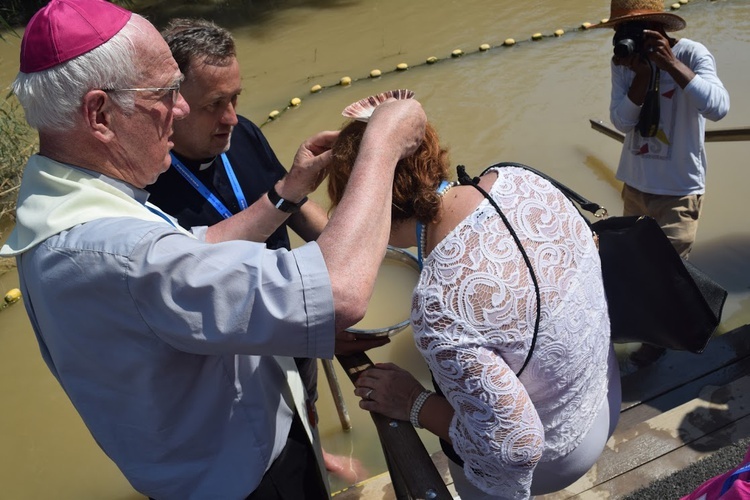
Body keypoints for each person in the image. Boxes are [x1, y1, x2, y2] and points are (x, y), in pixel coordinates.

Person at [0, 1, 426, 499]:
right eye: (164, 93)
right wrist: (382, 146)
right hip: (242, 477)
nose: (179, 110)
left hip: (206, 459)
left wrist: (286, 193)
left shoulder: (67, 206)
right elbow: (337, 292)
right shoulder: (121, 253)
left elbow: (194, 252)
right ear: (99, 113)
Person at [327, 90, 621, 500]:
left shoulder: (438, 303)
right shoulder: (521, 178)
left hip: (555, 457)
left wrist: (413, 401)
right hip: (603, 400)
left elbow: (516, 449)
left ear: (367, 202)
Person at [145, 18, 363, 483]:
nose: (230, 117)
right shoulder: (147, 181)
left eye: (235, 98)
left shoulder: (241, 132)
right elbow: (194, 276)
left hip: (291, 308)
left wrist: (351, 256)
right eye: (214, 105)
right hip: (232, 340)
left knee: (305, 396)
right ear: (173, 102)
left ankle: (316, 450)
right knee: (255, 428)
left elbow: (294, 206)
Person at [593, 0, 730, 366]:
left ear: (658, 27)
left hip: (678, 190)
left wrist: (670, 64)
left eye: (635, 29)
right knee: (635, 268)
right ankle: (648, 333)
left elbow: (718, 107)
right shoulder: (625, 62)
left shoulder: (692, 54)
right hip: (636, 186)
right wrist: (640, 76)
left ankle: (662, 343)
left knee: (667, 274)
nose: (627, 38)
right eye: (622, 30)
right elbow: (622, 122)